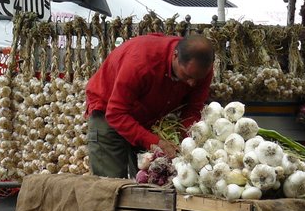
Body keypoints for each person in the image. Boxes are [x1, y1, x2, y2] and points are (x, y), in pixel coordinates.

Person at [85, 33, 214, 178]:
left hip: (149, 116)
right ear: (175, 56)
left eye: (198, 79)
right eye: (187, 76)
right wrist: (155, 142)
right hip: (108, 112)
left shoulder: (200, 69)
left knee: (149, 179)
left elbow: (193, 109)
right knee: (110, 186)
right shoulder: (141, 62)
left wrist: (184, 143)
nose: (192, 83)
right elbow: (115, 113)